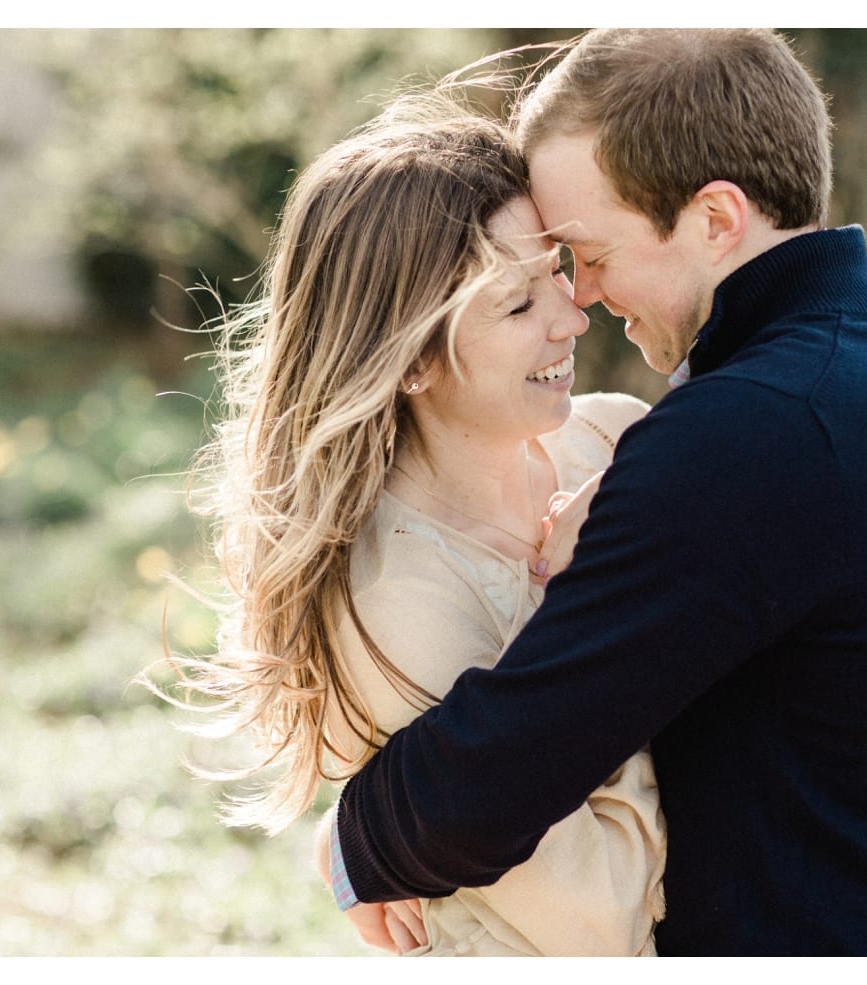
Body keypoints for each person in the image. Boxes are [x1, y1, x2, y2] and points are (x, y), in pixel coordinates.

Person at [325, 28, 867, 956]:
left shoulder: (751, 432)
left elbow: (502, 772)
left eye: (587, 250)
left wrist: (351, 841)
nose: (580, 295)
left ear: (713, 219)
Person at [167, 96, 666, 955]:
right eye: (517, 304)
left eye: (559, 270)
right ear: (411, 360)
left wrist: (353, 842)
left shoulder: (615, 438)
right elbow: (603, 918)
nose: (573, 316)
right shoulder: (405, 607)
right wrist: (575, 597)